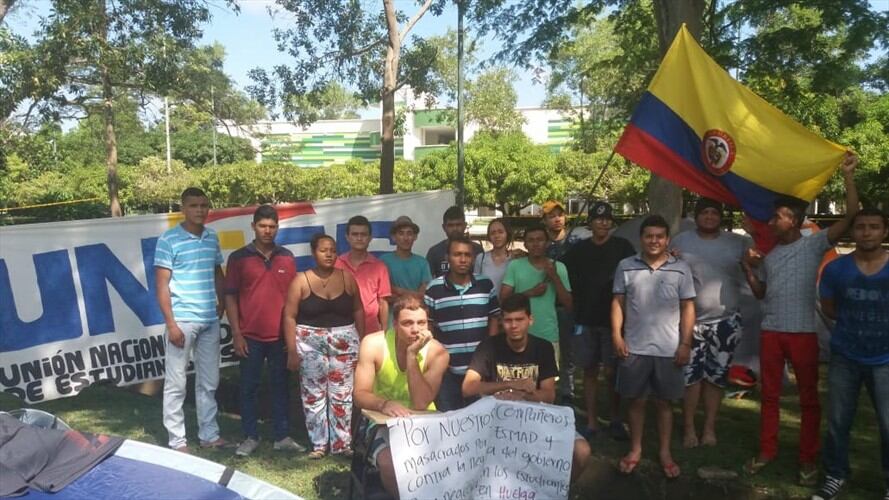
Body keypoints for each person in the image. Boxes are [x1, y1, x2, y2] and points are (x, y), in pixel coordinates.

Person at [742, 153, 859, 485]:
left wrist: (848, 175)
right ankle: (768, 451)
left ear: (792, 220)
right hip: (771, 333)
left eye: (776, 217)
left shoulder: (814, 245)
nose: (770, 222)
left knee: (809, 399)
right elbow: (762, 292)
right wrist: (747, 268)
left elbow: (851, 215)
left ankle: (807, 458)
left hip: (803, 333)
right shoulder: (771, 254)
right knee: (770, 395)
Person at [462, 293, 591, 483]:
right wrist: (509, 384)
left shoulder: (543, 348)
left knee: (582, 451)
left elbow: (549, 395)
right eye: (508, 320)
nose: (513, 326)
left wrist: (520, 396)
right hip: (497, 421)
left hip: (535, 419)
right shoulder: (488, 346)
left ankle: (556, 491)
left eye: (519, 319)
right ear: (501, 322)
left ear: (530, 320)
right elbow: (467, 388)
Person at [813, 207, 889, 500]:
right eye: (861, 227)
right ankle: (835, 475)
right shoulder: (837, 269)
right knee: (838, 421)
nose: (866, 232)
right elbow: (829, 308)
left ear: (884, 231)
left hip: (885, 358)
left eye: (873, 226)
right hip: (845, 356)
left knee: (887, 424)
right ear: (852, 232)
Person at [612, 214, 695, 479]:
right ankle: (635, 449)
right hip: (634, 347)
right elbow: (617, 302)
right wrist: (617, 335)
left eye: (659, 236)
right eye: (649, 236)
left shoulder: (680, 268)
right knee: (635, 401)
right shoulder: (626, 265)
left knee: (664, 404)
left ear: (667, 239)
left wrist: (685, 343)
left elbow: (688, 307)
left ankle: (664, 452)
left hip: (668, 349)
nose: (654, 241)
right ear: (641, 238)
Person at [224, 205, 305, 456]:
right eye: (262, 226)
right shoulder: (238, 258)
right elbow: (230, 297)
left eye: (272, 226)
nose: (267, 231)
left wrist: (292, 337)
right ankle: (250, 436)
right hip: (250, 336)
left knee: (281, 386)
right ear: (253, 227)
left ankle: (282, 436)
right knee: (248, 387)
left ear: (277, 227)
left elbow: (293, 298)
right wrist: (236, 333)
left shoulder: (287, 257)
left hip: (280, 336)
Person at [671, 198, 752, 448]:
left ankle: (709, 429)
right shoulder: (682, 241)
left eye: (714, 212)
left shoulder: (738, 243)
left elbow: (757, 262)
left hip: (725, 321)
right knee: (690, 377)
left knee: (716, 378)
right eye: (704, 212)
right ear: (696, 216)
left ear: (721, 216)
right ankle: (688, 430)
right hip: (690, 322)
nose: (709, 216)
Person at [353, 295, 450, 499]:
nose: (416, 329)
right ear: (395, 324)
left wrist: (412, 355)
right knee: (390, 463)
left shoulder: (438, 352)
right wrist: (383, 403)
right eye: (407, 323)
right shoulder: (373, 344)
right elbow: (359, 394)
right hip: (379, 420)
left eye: (421, 323)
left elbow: (421, 403)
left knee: (446, 461)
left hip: (423, 420)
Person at [154, 187, 227, 452]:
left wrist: (221, 303)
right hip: (182, 320)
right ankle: (177, 441)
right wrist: (171, 324)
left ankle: (209, 435)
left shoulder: (211, 237)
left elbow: (217, 272)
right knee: (176, 383)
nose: (200, 210)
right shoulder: (169, 240)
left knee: (209, 382)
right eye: (194, 205)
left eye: (204, 205)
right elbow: (162, 285)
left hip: (209, 319)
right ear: (183, 208)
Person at [283, 233, 364, 458]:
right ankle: (319, 445)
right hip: (310, 343)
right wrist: (291, 350)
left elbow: (358, 310)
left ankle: (341, 444)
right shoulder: (301, 280)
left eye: (333, 250)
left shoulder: (347, 278)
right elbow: (289, 316)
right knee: (313, 394)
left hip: (344, 342)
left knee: (342, 394)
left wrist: (362, 341)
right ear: (313, 253)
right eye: (323, 250)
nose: (329, 254)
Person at [561, 201, 635, 440]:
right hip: (585, 319)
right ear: (590, 222)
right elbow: (559, 266)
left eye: (607, 219)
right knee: (590, 371)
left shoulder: (622, 247)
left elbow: (640, 266)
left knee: (613, 372)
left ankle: (615, 418)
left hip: (613, 322)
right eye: (598, 218)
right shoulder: (579, 250)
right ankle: (592, 421)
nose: (603, 222)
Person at [424, 237, 500, 411]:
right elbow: (429, 327)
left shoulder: (485, 285)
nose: (463, 259)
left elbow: (494, 319)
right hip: (447, 372)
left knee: (481, 423)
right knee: (449, 424)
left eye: (467, 255)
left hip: (480, 371)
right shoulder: (434, 289)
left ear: (473, 258)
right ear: (448, 258)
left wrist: (491, 353)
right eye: (457, 254)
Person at [501, 224, 573, 356]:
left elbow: (568, 304)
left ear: (547, 243)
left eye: (540, 240)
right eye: (531, 240)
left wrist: (554, 277)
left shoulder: (559, 267)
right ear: (525, 244)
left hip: (548, 335)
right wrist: (530, 293)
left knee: (549, 376)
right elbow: (504, 300)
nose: (535, 244)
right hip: (518, 335)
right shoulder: (515, 266)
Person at [542, 200, 587, 404]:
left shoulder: (576, 241)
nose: (557, 219)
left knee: (568, 350)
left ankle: (567, 391)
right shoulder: (541, 244)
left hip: (567, 303)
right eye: (552, 216)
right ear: (544, 220)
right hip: (544, 304)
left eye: (560, 215)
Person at [336, 215, 391, 335]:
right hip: (342, 328)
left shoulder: (379, 266)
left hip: (371, 330)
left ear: (370, 238)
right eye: (355, 234)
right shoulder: (337, 264)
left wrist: (385, 331)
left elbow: (383, 302)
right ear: (347, 237)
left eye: (363, 234)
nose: (359, 238)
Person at [380, 215, 432, 301]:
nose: (405, 238)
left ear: (415, 237)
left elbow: (423, 296)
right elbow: (385, 296)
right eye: (401, 233)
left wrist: (397, 290)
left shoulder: (422, 263)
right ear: (393, 237)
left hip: (416, 313)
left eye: (409, 233)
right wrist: (413, 295)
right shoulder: (384, 261)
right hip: (391, 314)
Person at [425, 205, 483, 278]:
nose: (455, 229)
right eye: (450, 225)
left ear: (465, 225)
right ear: (444, 227)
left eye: (458, 225)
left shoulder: (477, 249)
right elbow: (428, 281)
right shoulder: (434, 252)